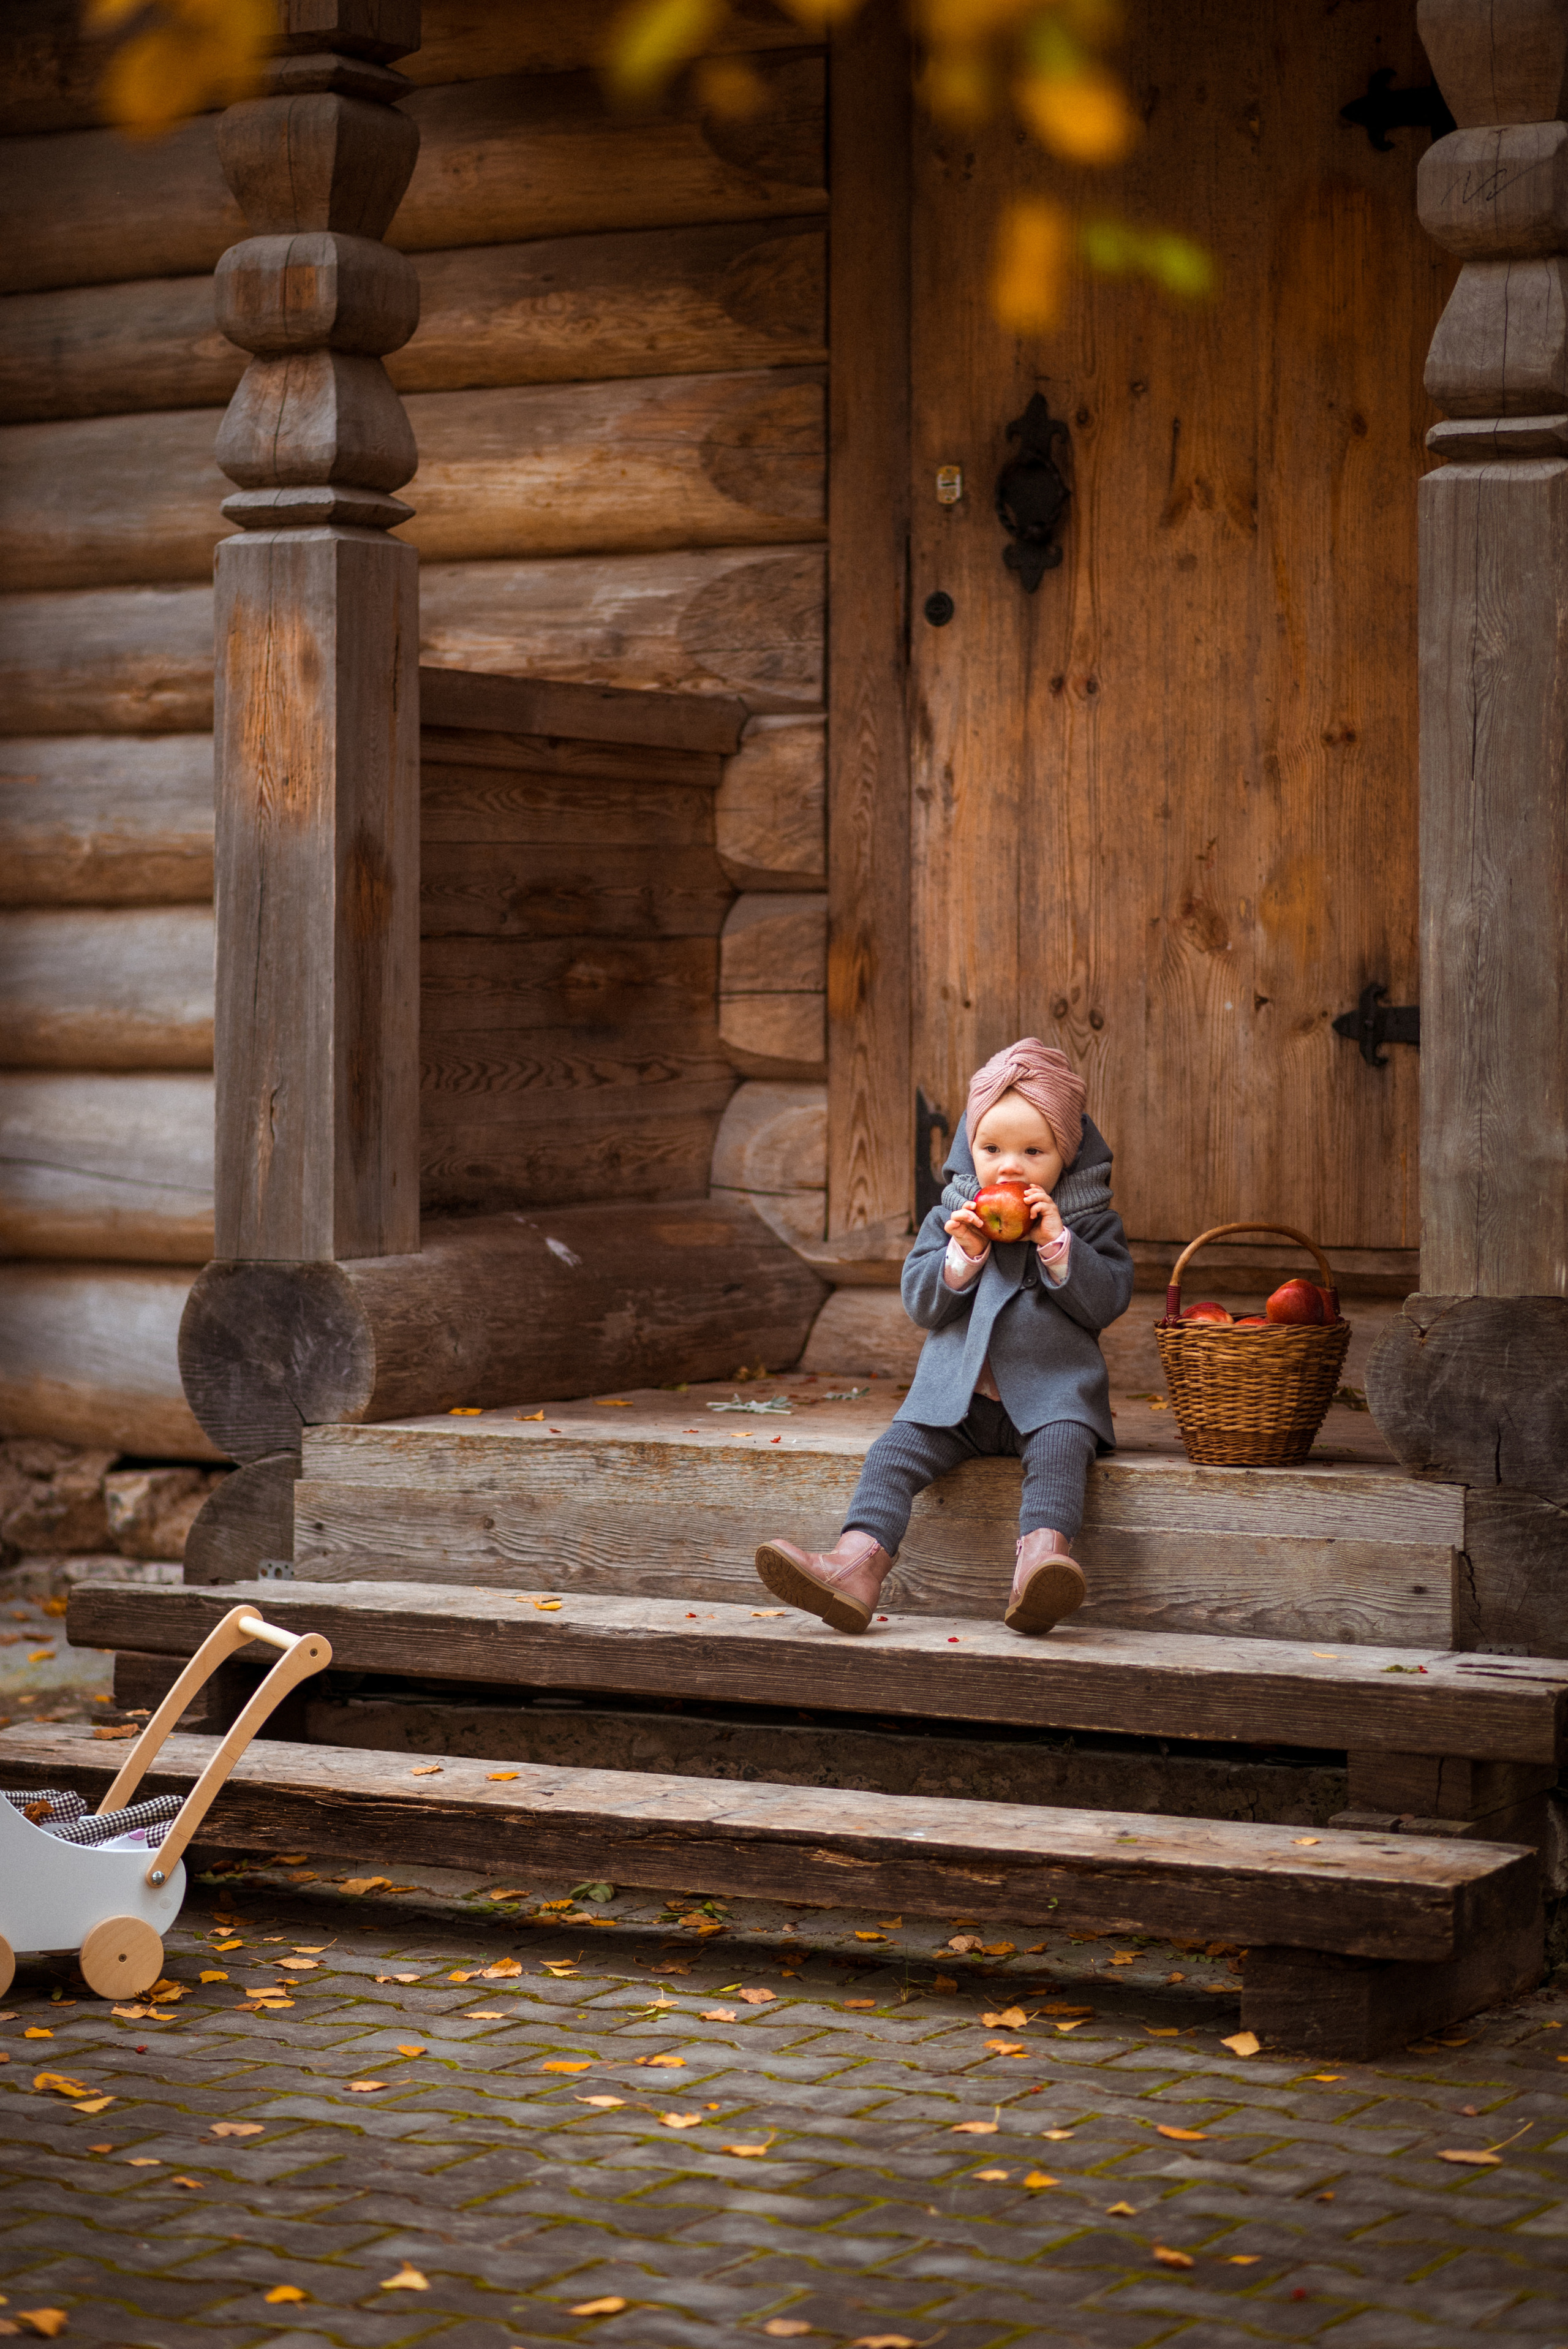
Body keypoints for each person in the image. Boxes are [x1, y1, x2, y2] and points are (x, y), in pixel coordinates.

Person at [755, 1038, 1133, 1636]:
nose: (1009, 1167)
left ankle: (1040, 1565)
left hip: (1051, 1402)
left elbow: (1105, 1301)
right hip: (956, 1406)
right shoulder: (950, 1219)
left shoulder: (1086, 1224)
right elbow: (921, 1305)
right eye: (992, 1148)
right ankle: (855, 1564)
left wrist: (1059, 1247)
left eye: (1033, 1151)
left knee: (1061, 1457)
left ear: (1068, 1154)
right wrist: (964, 1255)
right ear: (968, 1147)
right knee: (891, 1456)